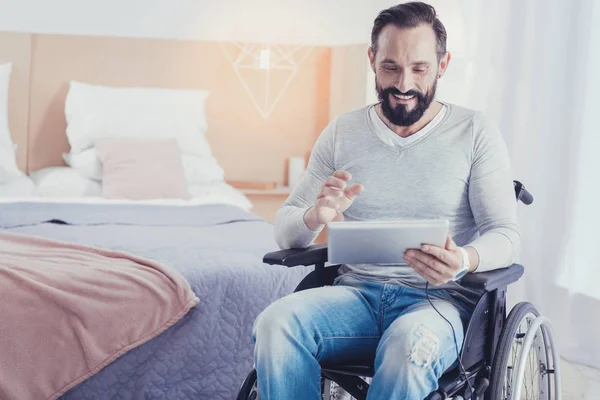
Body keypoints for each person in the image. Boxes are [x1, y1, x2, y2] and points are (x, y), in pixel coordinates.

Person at [251, 2, 520, 399]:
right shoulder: (343, 131)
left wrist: (464, 259)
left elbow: (506, 235)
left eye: (420, 68)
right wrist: (314, 216)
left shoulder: (475, 132)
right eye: (391, 67)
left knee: (407, 347)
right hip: (355, 296)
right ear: (372, 59)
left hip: (438, 302)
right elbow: (285, 231)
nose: (404, 83)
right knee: (275, 323)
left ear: (442, 65)